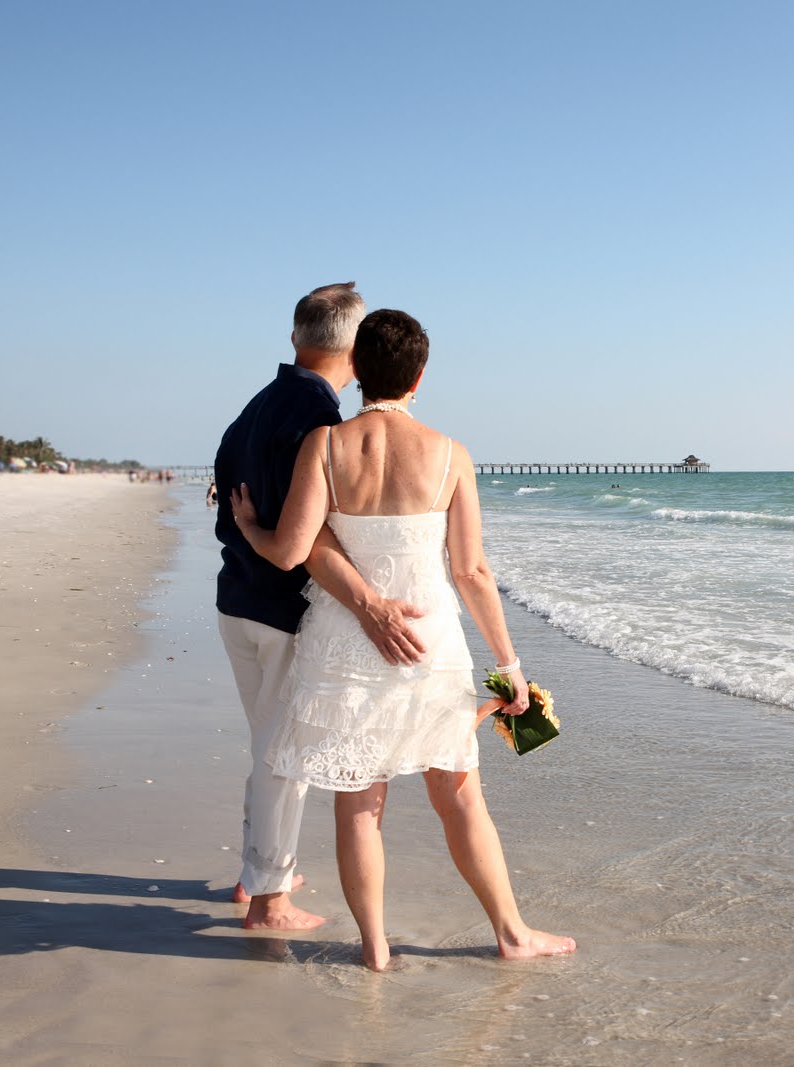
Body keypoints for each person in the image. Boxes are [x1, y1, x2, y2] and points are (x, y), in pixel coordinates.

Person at [231, 308, 576, 970]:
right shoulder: (450, 454)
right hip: (429, 642)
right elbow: (471, 571)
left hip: (345, 638)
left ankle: (375, 945)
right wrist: (509, 664)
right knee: (460, 794)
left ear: (356, 369)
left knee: (360, 802)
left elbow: (291, 550)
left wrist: (248, 525)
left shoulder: (325, 445)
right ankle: (511, 932)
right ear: (419, 375)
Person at [214, 284, 429, 931]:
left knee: (270, 746)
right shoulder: (317, 416)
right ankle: (270, 900)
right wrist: (370, 605)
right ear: (358, 355)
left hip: (237, 601)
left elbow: (228, 489)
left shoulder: (257, 405)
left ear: (294, 337)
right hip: (280, 610)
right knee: (285, 754)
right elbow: (309, 539)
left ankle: (258, 875)